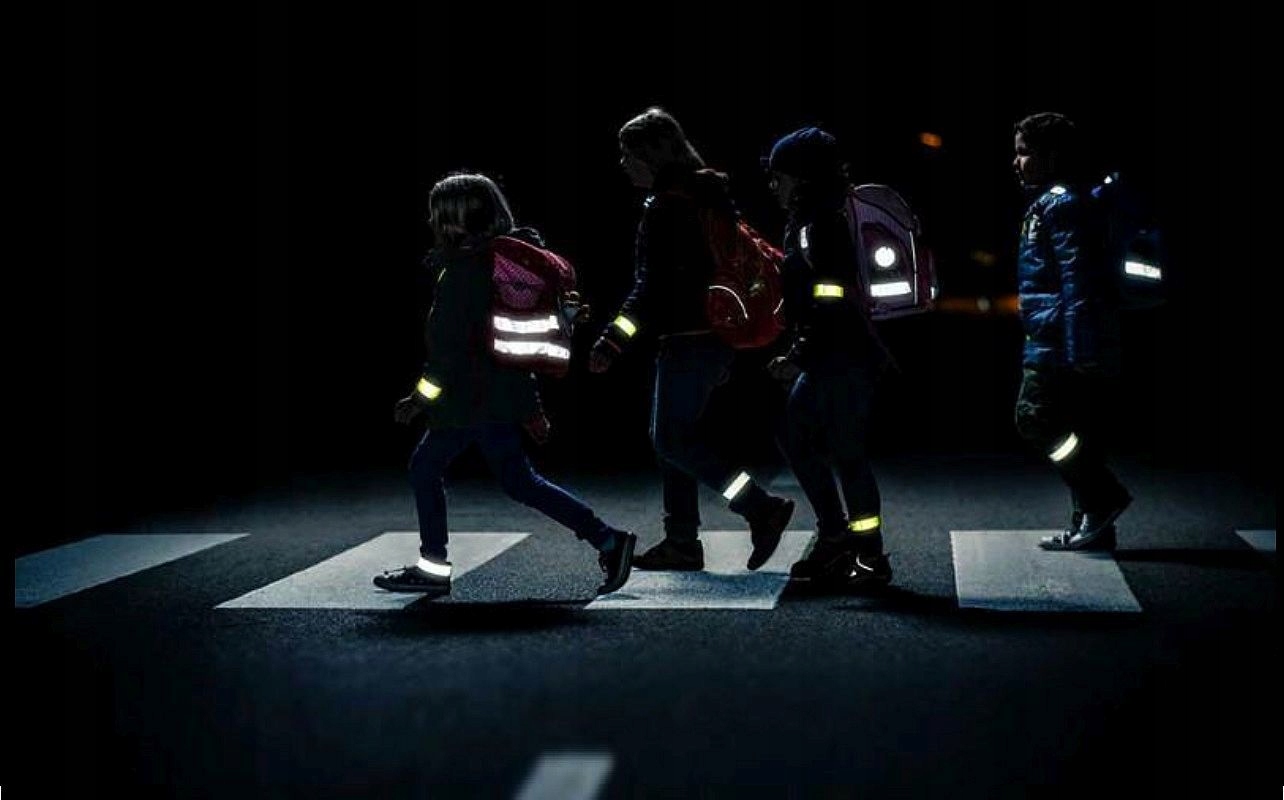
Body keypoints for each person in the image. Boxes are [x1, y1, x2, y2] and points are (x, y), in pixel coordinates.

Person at [375, 172, 636, 595]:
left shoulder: (463, 274)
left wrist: (419, 399)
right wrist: (530, 408)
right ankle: (608, 540)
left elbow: (448, 353)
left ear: (453, 221)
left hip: (467, 402)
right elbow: (510, 348)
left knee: (426, 468)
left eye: (436, 215)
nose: (430, 222)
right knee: (520, 482)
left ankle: (434, 566)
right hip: (499, 398)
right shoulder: (500, 268)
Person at [588, 107, 794, 571]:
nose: (623, 163)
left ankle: (759, 507)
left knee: (671, 441)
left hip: (690, 338)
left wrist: (611, 341)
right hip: (713, 336)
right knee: (675, 439)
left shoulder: (667, 208)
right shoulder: (705, 195)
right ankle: (681, 541)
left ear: (652, 155)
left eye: (628, 154)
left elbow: (651, 287)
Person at [761, 127, 894, 586]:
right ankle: (838, 537)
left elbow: (830, 297)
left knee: (846, 453)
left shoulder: (822, 221)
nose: (773, 186)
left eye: (779, 176)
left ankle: (869, 555)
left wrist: (798, 354)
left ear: (801, 177)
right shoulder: (809, 218)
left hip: (844, 356)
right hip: (829, 354)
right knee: (795, 435)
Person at [1011, 112, 1132, 551]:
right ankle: (1093, 524)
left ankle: (1103, 498)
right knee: (1081, 428)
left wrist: (1082, 348)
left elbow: (1078, 281)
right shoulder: (1059, 202)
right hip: (1060, 336)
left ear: (1051, 155)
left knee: (1035, 419)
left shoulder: (1062, 205)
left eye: (1024, 152)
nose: (1016, 162)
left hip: (1059, 341)